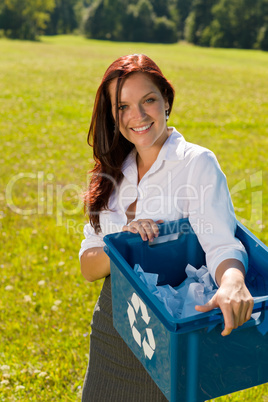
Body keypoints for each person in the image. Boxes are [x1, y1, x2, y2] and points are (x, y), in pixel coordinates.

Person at [79, 54, 254, 401]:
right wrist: (123, 241)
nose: (137, 116)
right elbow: (88, 265)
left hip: (167, 332)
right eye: (123, 107)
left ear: (166, 101)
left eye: (148, 101)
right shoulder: (113, 168)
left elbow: (221, 242)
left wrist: (233, 282)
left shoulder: (196, 163)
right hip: (113, 326)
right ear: (113, 116)